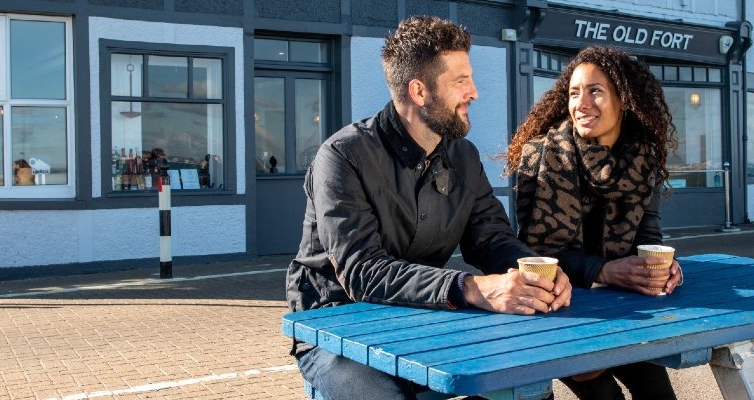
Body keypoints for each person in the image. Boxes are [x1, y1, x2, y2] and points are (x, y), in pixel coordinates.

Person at [286, 16, 573, 400]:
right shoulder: (342, 156)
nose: (474, 92)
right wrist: (468, 287)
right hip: (337, 326)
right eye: (460, 81)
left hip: (422, 315)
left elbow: (491, 240)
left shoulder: (464, 157)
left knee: (529, 383)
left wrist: (538, 274)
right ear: (419, 92)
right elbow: (362, 272)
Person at [504, 45, 685, 400]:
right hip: (560, 310)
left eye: (595, 91)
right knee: (605, 395)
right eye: (574, 93)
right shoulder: (542, 155)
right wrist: (605, 271)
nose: (581, 103)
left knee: (658, 392)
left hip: (624, 309)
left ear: (624, 101)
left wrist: (665, 267)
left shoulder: (642, 157)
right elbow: (537, 253)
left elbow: (647, 234)